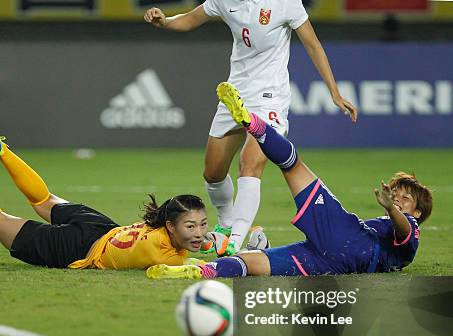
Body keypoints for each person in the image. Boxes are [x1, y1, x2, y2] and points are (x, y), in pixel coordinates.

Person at [147, 82, 432, 279]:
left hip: (348, 239)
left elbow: (404, 232)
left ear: (418, 213)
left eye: (405, 199)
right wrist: (393, 209)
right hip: (333, 263)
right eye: (396, 194)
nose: (397, 199)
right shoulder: (392, 245)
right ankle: (198, 271)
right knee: (255, 263)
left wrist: (392, 210)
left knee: (292, 165)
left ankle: (251, 122)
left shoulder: (411, 231)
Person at [144, 0, 357, 256]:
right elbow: (191, 18)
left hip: (270, 98)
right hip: (234, 95)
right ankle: (226, 225)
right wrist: (164, 21)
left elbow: (313, 45)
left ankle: (234, 242)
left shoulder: (284, 3)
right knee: (213, 173)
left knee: (250, 162)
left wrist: (334, 92)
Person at [0, 109, 209, 270]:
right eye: (191, 226)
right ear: (170, 226)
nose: (198, 233)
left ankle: (3, 152)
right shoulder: (162, 255)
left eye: (202, 225)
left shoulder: (159, 226)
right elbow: (179, 269)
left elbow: (191, 246)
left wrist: (205, 241)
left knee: (43, 198)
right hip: (80, 247)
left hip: (102, 226)